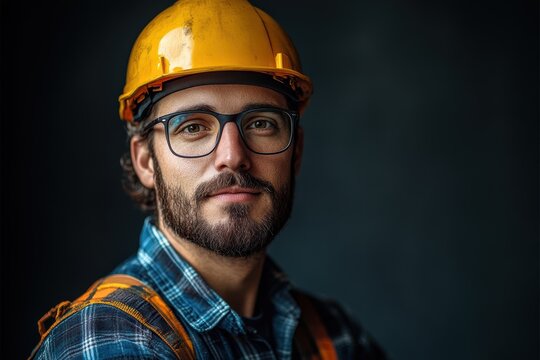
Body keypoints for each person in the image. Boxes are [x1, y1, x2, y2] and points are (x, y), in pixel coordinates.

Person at [30, 0, 386, 358]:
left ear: (296, 152)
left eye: (261, 123)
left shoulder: (334, 336)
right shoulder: (108, 340)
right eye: (193, 127)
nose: (233, 156)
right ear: (145, 161)